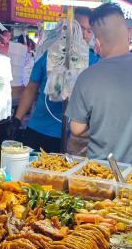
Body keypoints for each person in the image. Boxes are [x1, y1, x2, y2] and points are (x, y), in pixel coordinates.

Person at [66, 3, 132, 166]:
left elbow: (76, 128)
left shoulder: (86, 77)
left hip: (101, 174)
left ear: (97, 42)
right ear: (129, 34)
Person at [7, 8, 99, 152]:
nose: (84, 35)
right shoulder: (50, 55)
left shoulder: (94, 62)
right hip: (38, 128)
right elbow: (32, 88)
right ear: (69, 27)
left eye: (89, 31)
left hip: (72, 137)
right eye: (80, 28)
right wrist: (17, 118)